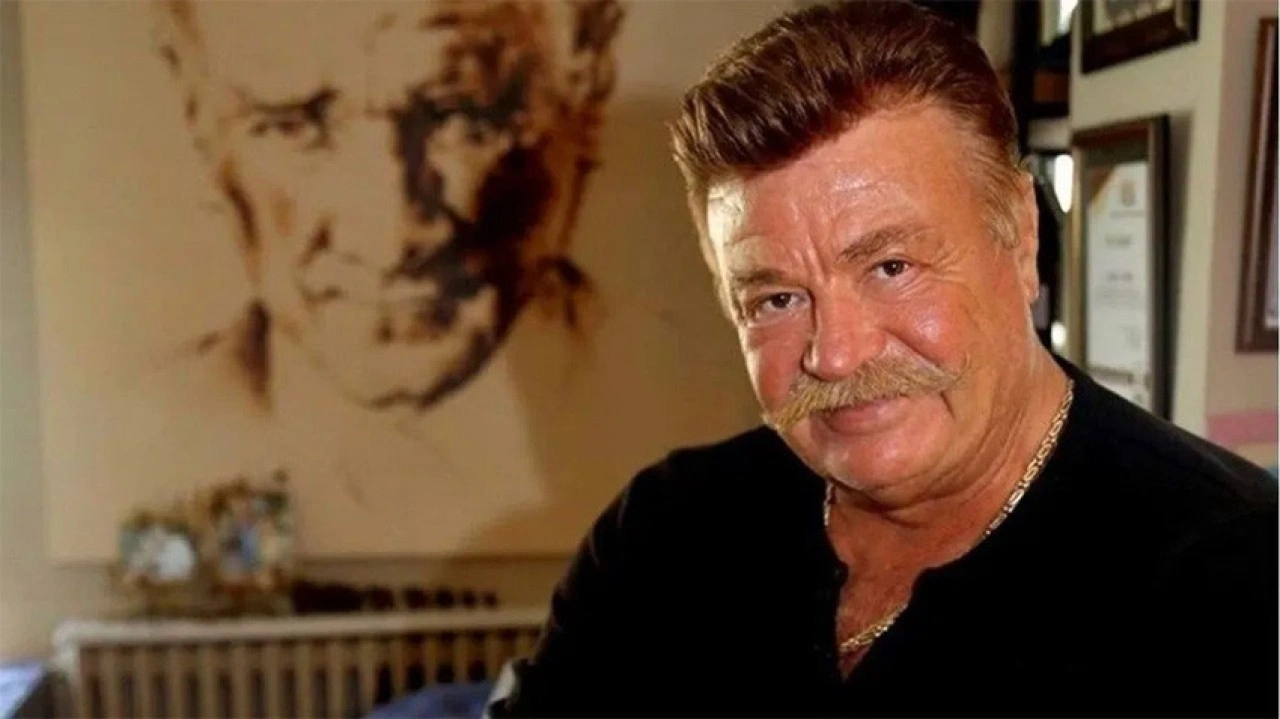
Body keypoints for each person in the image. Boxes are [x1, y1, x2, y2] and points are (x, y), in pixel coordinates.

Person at [491, 1, 1278, 716]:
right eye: (777, 299)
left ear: (1020, 237)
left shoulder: (1235, 576)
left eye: (891, 266)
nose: (835, 355)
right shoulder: (664, 532)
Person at [151, 0, 621, 414]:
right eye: (291, 125)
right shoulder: (143, 426)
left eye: (462, 117)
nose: (388, 241)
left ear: (587, 101)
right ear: (197, 121)